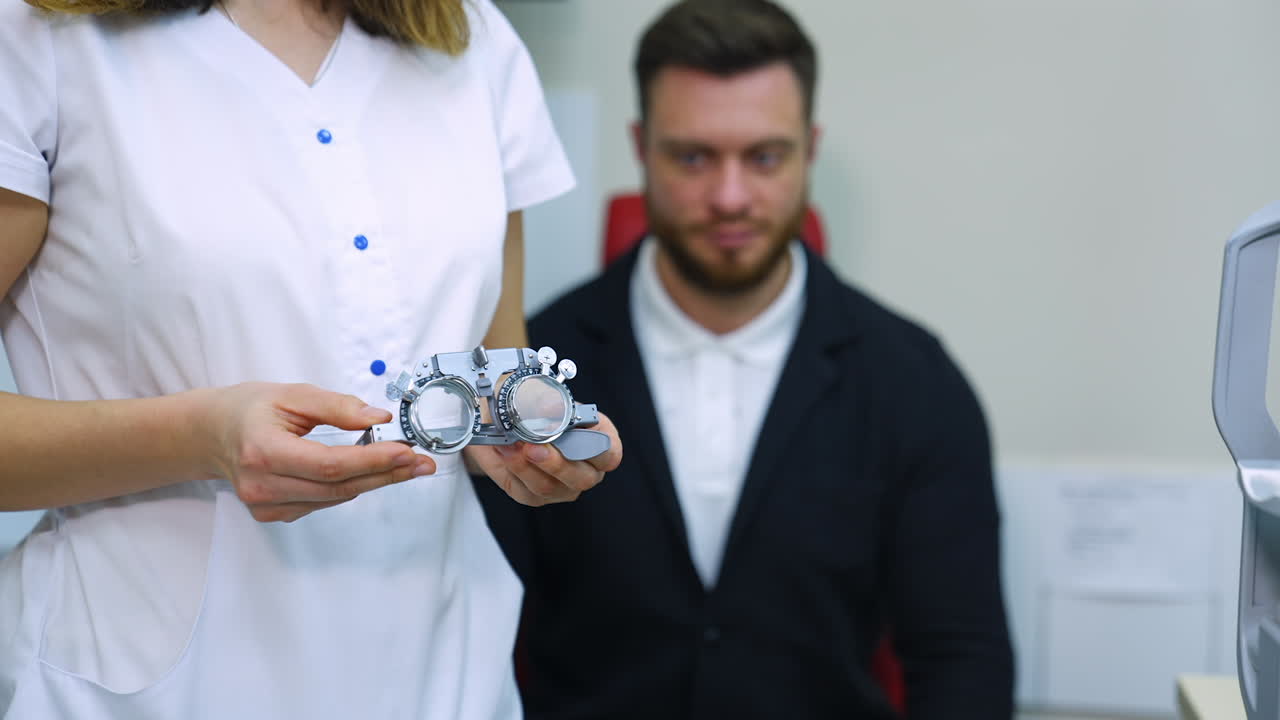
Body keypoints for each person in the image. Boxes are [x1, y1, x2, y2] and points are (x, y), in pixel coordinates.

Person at [0, 0, 621, 717]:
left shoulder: (471, 35)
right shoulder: (39, 37)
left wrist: (528, 431)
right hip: (146, 690)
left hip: (445, 675)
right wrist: (202, 439)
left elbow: (493, 369)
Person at [473, 0, 1014, 717]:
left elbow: (962, 662)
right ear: (640, 148)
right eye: (693, 157)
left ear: (809, 150)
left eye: (763, 157)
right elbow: (476, 626)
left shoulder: (914, 383)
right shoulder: (534, 375)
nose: (730, 197)